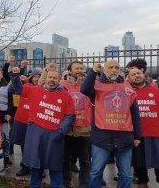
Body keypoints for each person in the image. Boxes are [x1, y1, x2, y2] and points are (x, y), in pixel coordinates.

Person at [81, 60, 142, 188]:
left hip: (124, 138)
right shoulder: (96, 86)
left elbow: (135, 113)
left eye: (116, 67)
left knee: (126, 174)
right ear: (104, 70)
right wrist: (93, 72)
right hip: (101, 138)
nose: (114, 70)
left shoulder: (127, 87)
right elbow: (84, 89)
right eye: (110, 67)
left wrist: (137, 136)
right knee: (96, 172)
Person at [14, 70, 75, 188]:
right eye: (50, 77)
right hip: (36, 135)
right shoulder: (35, 90)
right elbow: (19, 89)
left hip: (55, 137)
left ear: (59, 80)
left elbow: (70, 115)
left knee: (56, 170)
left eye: (55, 78)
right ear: (45, 78)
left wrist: (61, 131)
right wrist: (15, 75)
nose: (52, 79)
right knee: (36, 170)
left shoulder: (65, 95)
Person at [60, 61, 92, 188]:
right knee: (65, 158)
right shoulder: (63, 85)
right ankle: (65, 182)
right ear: (70, 71)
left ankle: (84, 183)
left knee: (85, 160)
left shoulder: (89, 85)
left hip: (84, 127)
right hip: (67, 127)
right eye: (76, 68)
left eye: (81, 68)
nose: (79, 70)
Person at [128, 68, 159, 188]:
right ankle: (142, 182)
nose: (137, 75)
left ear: (144, 75)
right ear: (129, 78)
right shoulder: (129, 93)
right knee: (138, 161)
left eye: (138, 73)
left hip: (155, 133)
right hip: (137, 134)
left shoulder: (156, 91)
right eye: (133, 74)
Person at [9, 69, 42, 176]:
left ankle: (38, 168)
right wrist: (15, 75)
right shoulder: (26, 87)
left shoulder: (45, 89)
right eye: (35, 77)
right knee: (24, 145)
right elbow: (17, 88)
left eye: (39, 77)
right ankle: (26, 166)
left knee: (38, 145)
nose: (37, 79)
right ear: (31, 78)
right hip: (23, 120)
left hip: (38, 121)